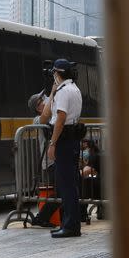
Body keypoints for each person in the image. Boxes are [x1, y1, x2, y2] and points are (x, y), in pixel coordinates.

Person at [44, 58, 84, 238]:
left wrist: (52, 143)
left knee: (66, 184)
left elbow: (60, 118)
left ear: (57, 73)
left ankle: (70, 226)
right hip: (72, 139)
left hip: (64, 140)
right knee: (70, 183)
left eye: (54, 73)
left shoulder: (63, 91)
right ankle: (70, 222)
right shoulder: (74, 89)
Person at [28, 92, 60, 228]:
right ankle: (41, 217)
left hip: (58, 159)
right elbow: (44, 118)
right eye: (43, 100)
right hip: (51, 161)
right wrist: (53, 94)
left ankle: (42, 217)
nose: (46, 100)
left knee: (61, 190)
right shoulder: (37, 119)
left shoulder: (53, 115)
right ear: (38, 107)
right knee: (60, 191)